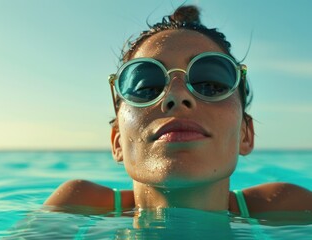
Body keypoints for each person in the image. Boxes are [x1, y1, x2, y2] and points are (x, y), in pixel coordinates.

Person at [44, 5, 312, 219]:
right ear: (117, 141)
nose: (177, 95)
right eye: (146, 85)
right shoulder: (77, 205)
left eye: (210, 83)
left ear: (246, 134)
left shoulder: (290, 207)